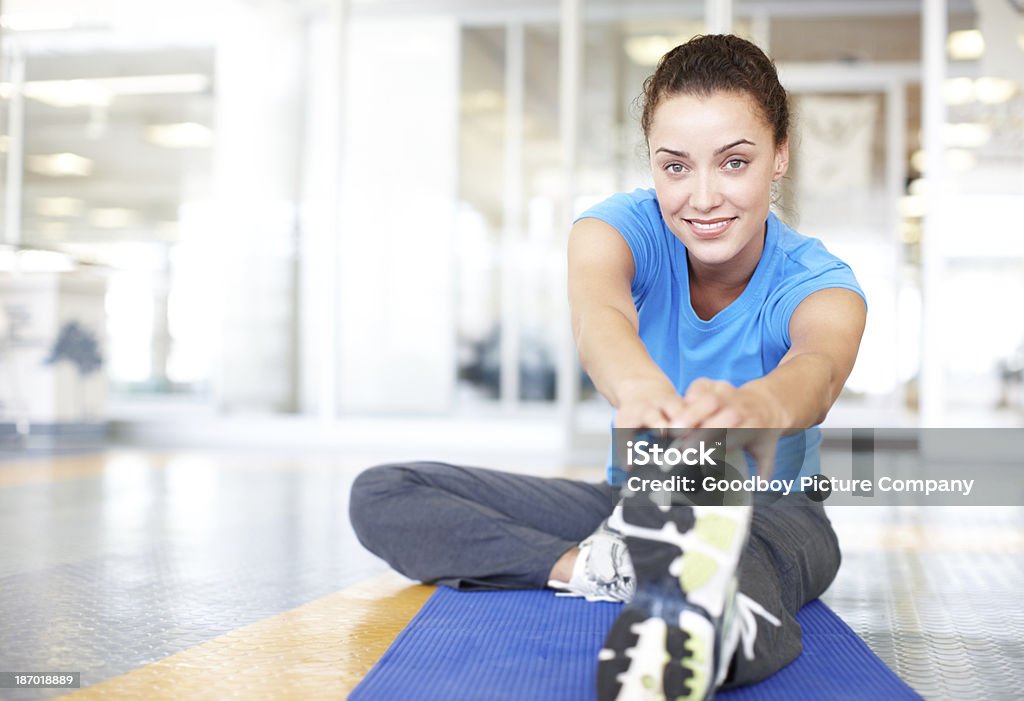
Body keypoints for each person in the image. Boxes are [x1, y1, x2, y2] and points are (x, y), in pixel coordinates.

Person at [349, 34, 866, 701]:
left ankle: (709, 621)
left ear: (779, 157)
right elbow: (602, 318)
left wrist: (758, 407)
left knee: (735, 558)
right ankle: (602, 568)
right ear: (651, 163)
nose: (703, 197)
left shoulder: (821, 281)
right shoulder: (616, 229)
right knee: (384, 493)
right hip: (630, 507)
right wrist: (641, 388)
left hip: (772, 510)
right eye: (675, 167)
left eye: (734, 162)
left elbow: (818, 368)